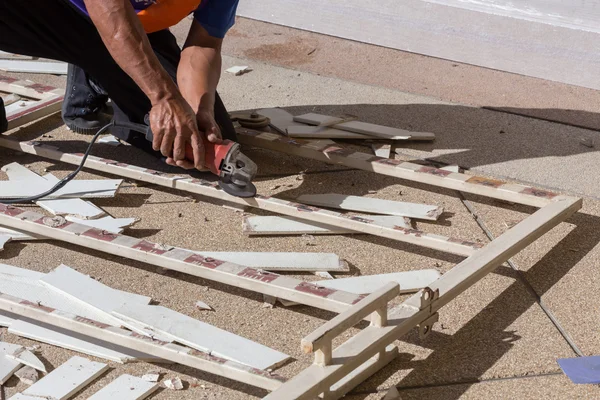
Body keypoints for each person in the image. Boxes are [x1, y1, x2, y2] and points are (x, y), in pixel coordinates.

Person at [0, 0, 240, 170]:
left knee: (198, 148)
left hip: (128, 24)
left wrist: (198, 110)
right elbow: (110, 13)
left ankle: (92, 80)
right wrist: (164, 98)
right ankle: (96, 68)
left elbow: (204, 42)